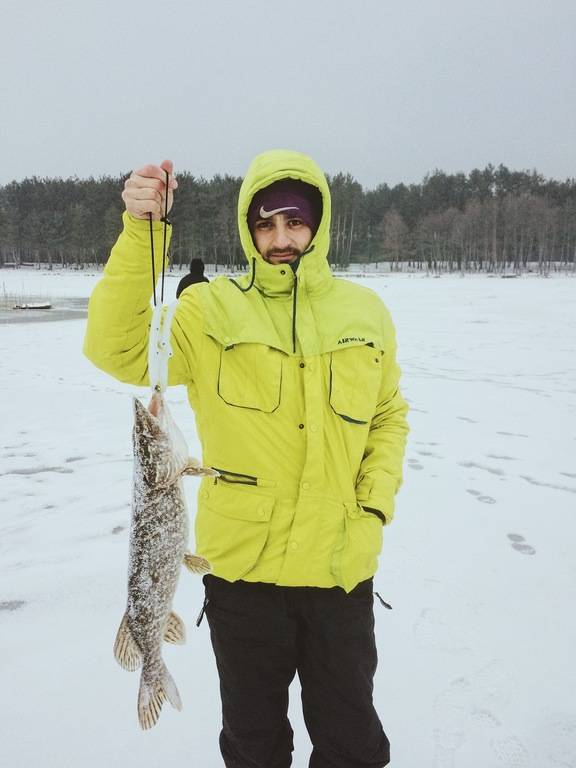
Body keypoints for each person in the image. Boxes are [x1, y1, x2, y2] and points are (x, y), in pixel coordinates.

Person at [84, 150, 409, 768]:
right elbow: (115, 347)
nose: (280, 239)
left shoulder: (365, 313)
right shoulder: (210, 310)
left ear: (319, 223)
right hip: (243, 580)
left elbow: (388, 414)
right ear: (247, 228)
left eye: (294, 221)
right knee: (254, 747)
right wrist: (139, 230)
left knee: (353, 746)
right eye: (265, 224)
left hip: (340, 571)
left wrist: (374, 504)